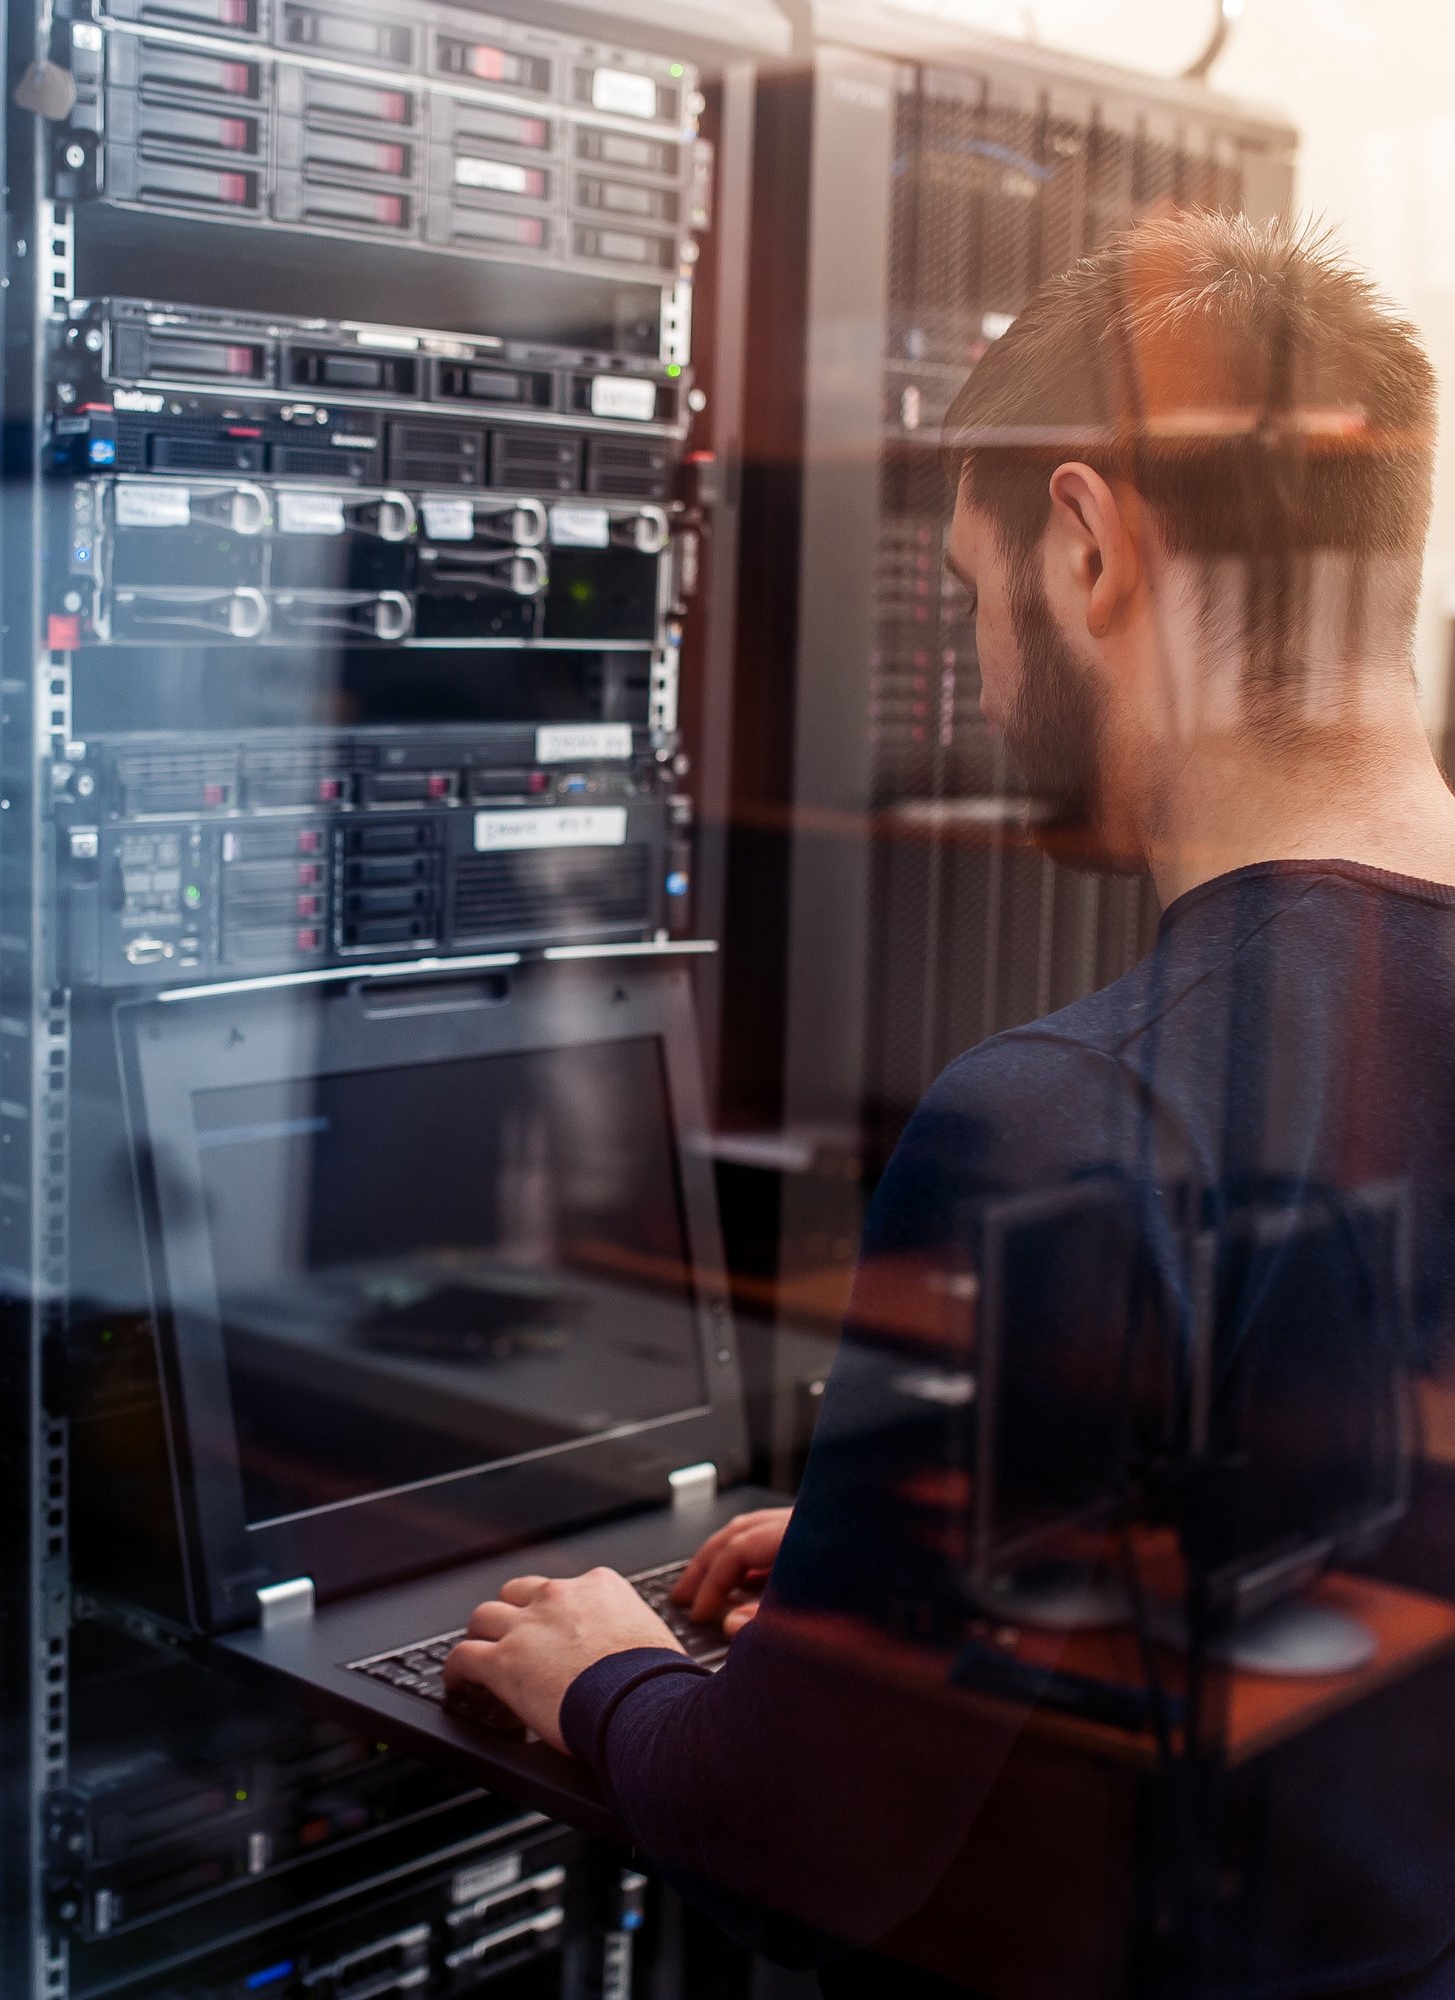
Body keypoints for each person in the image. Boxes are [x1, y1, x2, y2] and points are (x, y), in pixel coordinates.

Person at [446, 212, 1455, 1998]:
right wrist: (887, 1575)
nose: (985, 673)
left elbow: (810, 1851)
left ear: (1088, 545)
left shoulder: (1066, 1123)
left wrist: (601, 1671)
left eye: (977, 598)